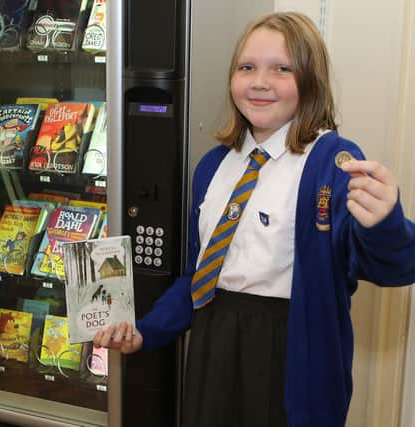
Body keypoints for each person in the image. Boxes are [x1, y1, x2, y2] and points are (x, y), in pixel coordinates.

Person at [94, 11, 415, 427]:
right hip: (213, 345)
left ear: (310, 81)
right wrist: (146, 330)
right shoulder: (213, 166)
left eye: (281, 69)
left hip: (292, 356)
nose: (260, 82)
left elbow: (394, 267)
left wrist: (385, 222)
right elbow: (197, 278)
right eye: (247, 68)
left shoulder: (331, 164)